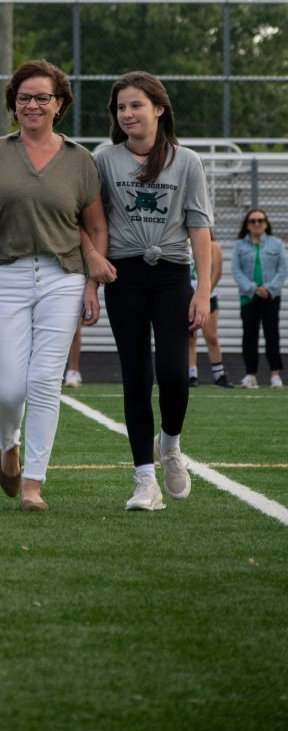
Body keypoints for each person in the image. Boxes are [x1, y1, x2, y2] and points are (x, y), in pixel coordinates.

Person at [0, 60, 110, 512]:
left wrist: (92, 286)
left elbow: (95, 229)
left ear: (59, 103)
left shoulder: (81, 160)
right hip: (3, 272)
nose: (33, 105)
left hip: (63, 275)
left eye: (43, 97)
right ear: (13, 103)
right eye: (24, 97)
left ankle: (33, 485)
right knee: (5, 390)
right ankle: (8, 445)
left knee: (44, 381)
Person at [93, 71, 212, 512]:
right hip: (124, 275)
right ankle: (145, 478)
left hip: (172, 275)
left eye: (136, 105)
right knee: (137, 375)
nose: (127, 114)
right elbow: (92, 220)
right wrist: (94, 272)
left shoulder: (187, 161)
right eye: (121, 107)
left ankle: (171, 444)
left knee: (176, 374)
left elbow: (200, 227)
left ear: (159, 109)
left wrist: (202, 291)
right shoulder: (104, 158)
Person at [231, 208, 286, 389]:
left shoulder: (277, 244)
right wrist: (253, 288)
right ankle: (251, 375)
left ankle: (275, 375)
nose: (257, 224)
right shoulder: (239, 246)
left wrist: (268, 288)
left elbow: (283, 269)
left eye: (260, 220)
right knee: (249, 336)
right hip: (248, 297)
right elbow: (236, 270)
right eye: (253, 221)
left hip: (270, 297)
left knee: (272, 335)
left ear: (266, 223)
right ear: (247, 224)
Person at [188, 231, 232, 387]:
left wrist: (204, 293)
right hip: (187, 296)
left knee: (211, 336)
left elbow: (217, 272)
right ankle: (191, 374)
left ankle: (219, 374)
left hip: (208, 297)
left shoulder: (214, 246)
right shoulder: (184, 245)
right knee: (190, 338)